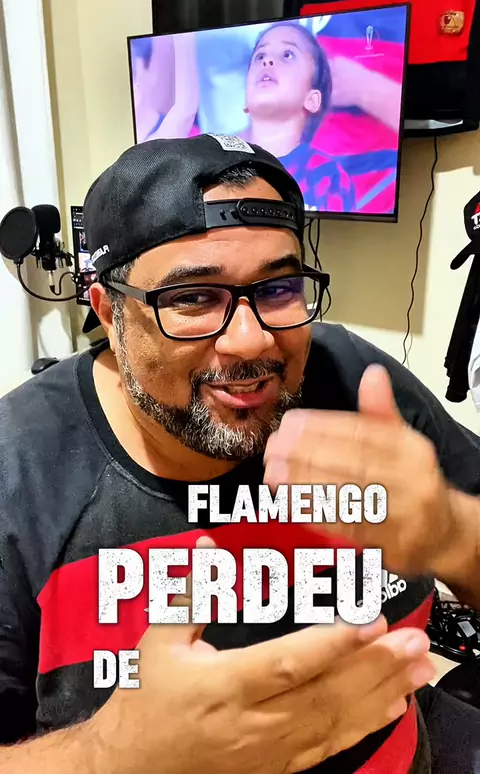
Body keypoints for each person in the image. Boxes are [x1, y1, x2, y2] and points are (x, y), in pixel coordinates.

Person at [0, 133, 479, 773]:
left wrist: (452, 533)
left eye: (279, 287)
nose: (251, 341)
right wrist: (111, 755)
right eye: (193, 298)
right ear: (109, 313)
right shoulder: (19, 473)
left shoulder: (357, 384)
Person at [238, 22, 356, 213]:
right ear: (245, 99)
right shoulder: (217, 165)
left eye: (287, 54)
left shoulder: (327, 176)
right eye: (260, 56)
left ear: (312, 99)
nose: (267, 61)